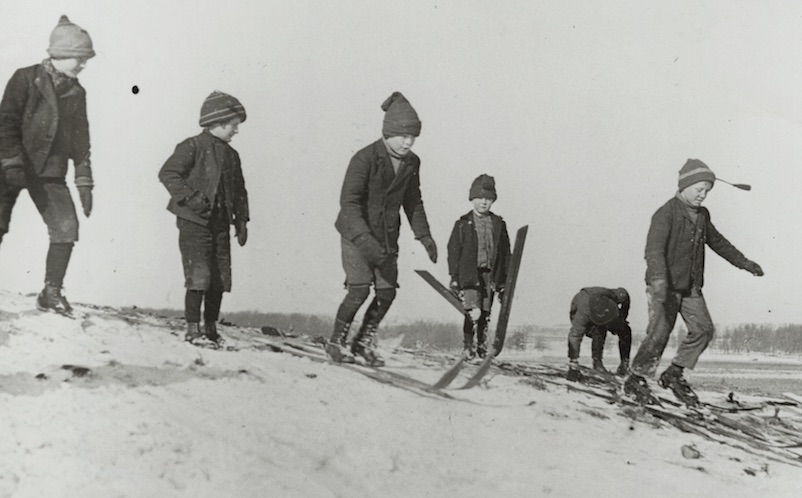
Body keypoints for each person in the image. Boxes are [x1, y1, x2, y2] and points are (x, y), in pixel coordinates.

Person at [624, 159, 763, 406]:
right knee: (659, 333)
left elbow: (718, 242)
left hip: (690, 288)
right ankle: (636, 379)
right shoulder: (665, 213)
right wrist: (658, 281)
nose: (703, 195)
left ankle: (674, 374)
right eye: (699, 189)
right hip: (664, 286)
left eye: (707, 191)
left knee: (704, 330)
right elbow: (653, 250)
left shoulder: (702, 215)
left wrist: (744, 263)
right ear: (684, 186)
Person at [328, 91, 437, 366]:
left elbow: (413, 201)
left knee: (387, 292)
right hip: (356, 236)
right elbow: (348, 203)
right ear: (387, 133)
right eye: (403, 136)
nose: (408, 142)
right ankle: (335, 343)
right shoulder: (364, 158)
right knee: (359, 290)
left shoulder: (412, 162)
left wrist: (424, 235)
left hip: (387, 237)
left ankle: (362, 343)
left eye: (413, 137)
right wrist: (364, 239)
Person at [0, 15, 95, 313]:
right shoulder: (25, 78)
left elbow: (81, 141)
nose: (82, 65)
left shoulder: (77, 92)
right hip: (9, 167)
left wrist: (84, 180)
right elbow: (6, 123)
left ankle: (51, 292)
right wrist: (12, 163)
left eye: (85, 60)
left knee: (66, 227)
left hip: (50, 172)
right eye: (79, 58)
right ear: (59, 53)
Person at [159, 91, 249, 346]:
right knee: (199, 275)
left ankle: (210, 328)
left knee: (219, 278)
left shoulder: (232, 155)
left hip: (220, 223)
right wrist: (191, 198)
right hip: (194, 222)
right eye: (233, 126)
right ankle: (192, 329)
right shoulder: (192, 146)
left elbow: (240, 190)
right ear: (218, 122)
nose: (236, 131)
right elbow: (168, 173)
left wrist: (241, 220)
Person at [447, 174, 511, 360]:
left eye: (488, 199)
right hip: (469, 274)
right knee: (472, 311)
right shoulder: (462, 224)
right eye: (480, 198)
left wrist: (504, 281)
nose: (484, 202)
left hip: (489, 275)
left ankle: (481, 347)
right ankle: (468, 347)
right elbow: (453, 251)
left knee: (485, 312)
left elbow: (506, 253)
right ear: (472, 199)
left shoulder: (498, 224)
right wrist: (454, 276)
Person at [566, 287, 631, 381]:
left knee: (625, 330)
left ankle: (624, 365)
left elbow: (625, 294)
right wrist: (573, 363)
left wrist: (623, 317)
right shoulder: (583, 313)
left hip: (603, 308)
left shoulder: (616, 296)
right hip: (583, 302)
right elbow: (575, 336)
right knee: (598, 331)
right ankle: (597, 362)